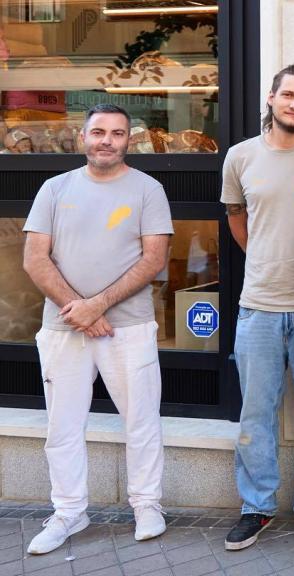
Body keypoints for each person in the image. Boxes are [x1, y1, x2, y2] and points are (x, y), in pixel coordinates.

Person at [22, 103, 173, 553]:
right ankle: (68, 512)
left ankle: (148, 506)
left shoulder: (148, 189)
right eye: (99, 132)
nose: (107, 140)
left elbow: (154, 258)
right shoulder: (54, 188)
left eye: (117, 133)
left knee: (141, 421)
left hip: (129, 328)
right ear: (83, 137)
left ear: (130, 140)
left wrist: (99, 304)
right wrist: (79, 309)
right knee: (62, 426)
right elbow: (33, 258)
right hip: (63, 329)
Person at [220, 63, 294, 551]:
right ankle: (257, 506)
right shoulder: (240, 156)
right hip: (259, 306)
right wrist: (268, 259)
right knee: (256, 413)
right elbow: (237, 219)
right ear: (271, 98)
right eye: (288, 95)